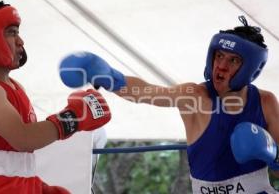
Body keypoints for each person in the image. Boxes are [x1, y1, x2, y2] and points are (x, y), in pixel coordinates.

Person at [59, 16, 279, 193]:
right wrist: (109, 77)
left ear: (252, 68)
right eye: (219, 56)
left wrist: (273, 155)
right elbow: (146, 92)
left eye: (233, 60)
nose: (220, 66)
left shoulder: (266, 102)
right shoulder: (195, 96)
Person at [0, 0, 111, 194]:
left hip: (12, 183)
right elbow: (23, 138)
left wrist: (37, 187)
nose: (20, 41)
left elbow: (15, 157)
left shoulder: (14, 87)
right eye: (12, 32)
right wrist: (73, 118)